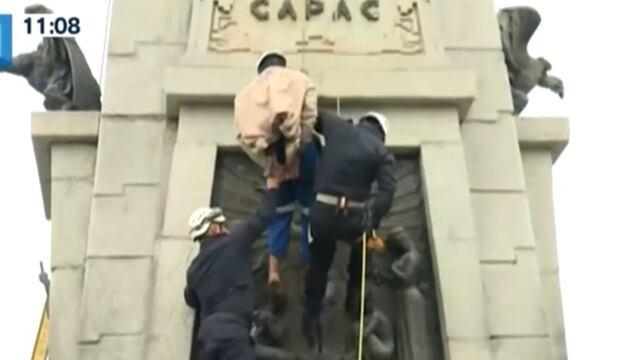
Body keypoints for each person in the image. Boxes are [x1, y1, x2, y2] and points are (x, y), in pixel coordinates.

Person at [302, 110, 397, 345]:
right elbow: (388, 191)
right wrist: (372, 220)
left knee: (319, 266)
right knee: (362, 251)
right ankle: (354, 299)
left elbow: (311, 116)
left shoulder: (336, 126)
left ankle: (311, 315)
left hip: (322, 212)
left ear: (362, 121)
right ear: (382, 133)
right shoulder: (381, 151)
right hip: (353, 218)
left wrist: (338, 124)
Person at [234, 50, 320, 306]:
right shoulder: (300, 80)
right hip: (304, 157)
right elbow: (309, 117)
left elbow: (244, 140)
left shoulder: (243, 96)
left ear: (260, 69)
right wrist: (295, 148)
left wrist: (272, 163)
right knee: (309, 213)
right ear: (282, 64)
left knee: (278, 215)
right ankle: (308, 265)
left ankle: (273, 272)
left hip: (272, 158)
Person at [184, 176, 280, 360]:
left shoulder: (193, 271)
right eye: (221, 224)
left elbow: (190, 299)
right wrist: (273, 186)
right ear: (213, 229)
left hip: (208, 336)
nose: (226, 227)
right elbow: (264, 216)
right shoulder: (234, 240)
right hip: (232, 332)